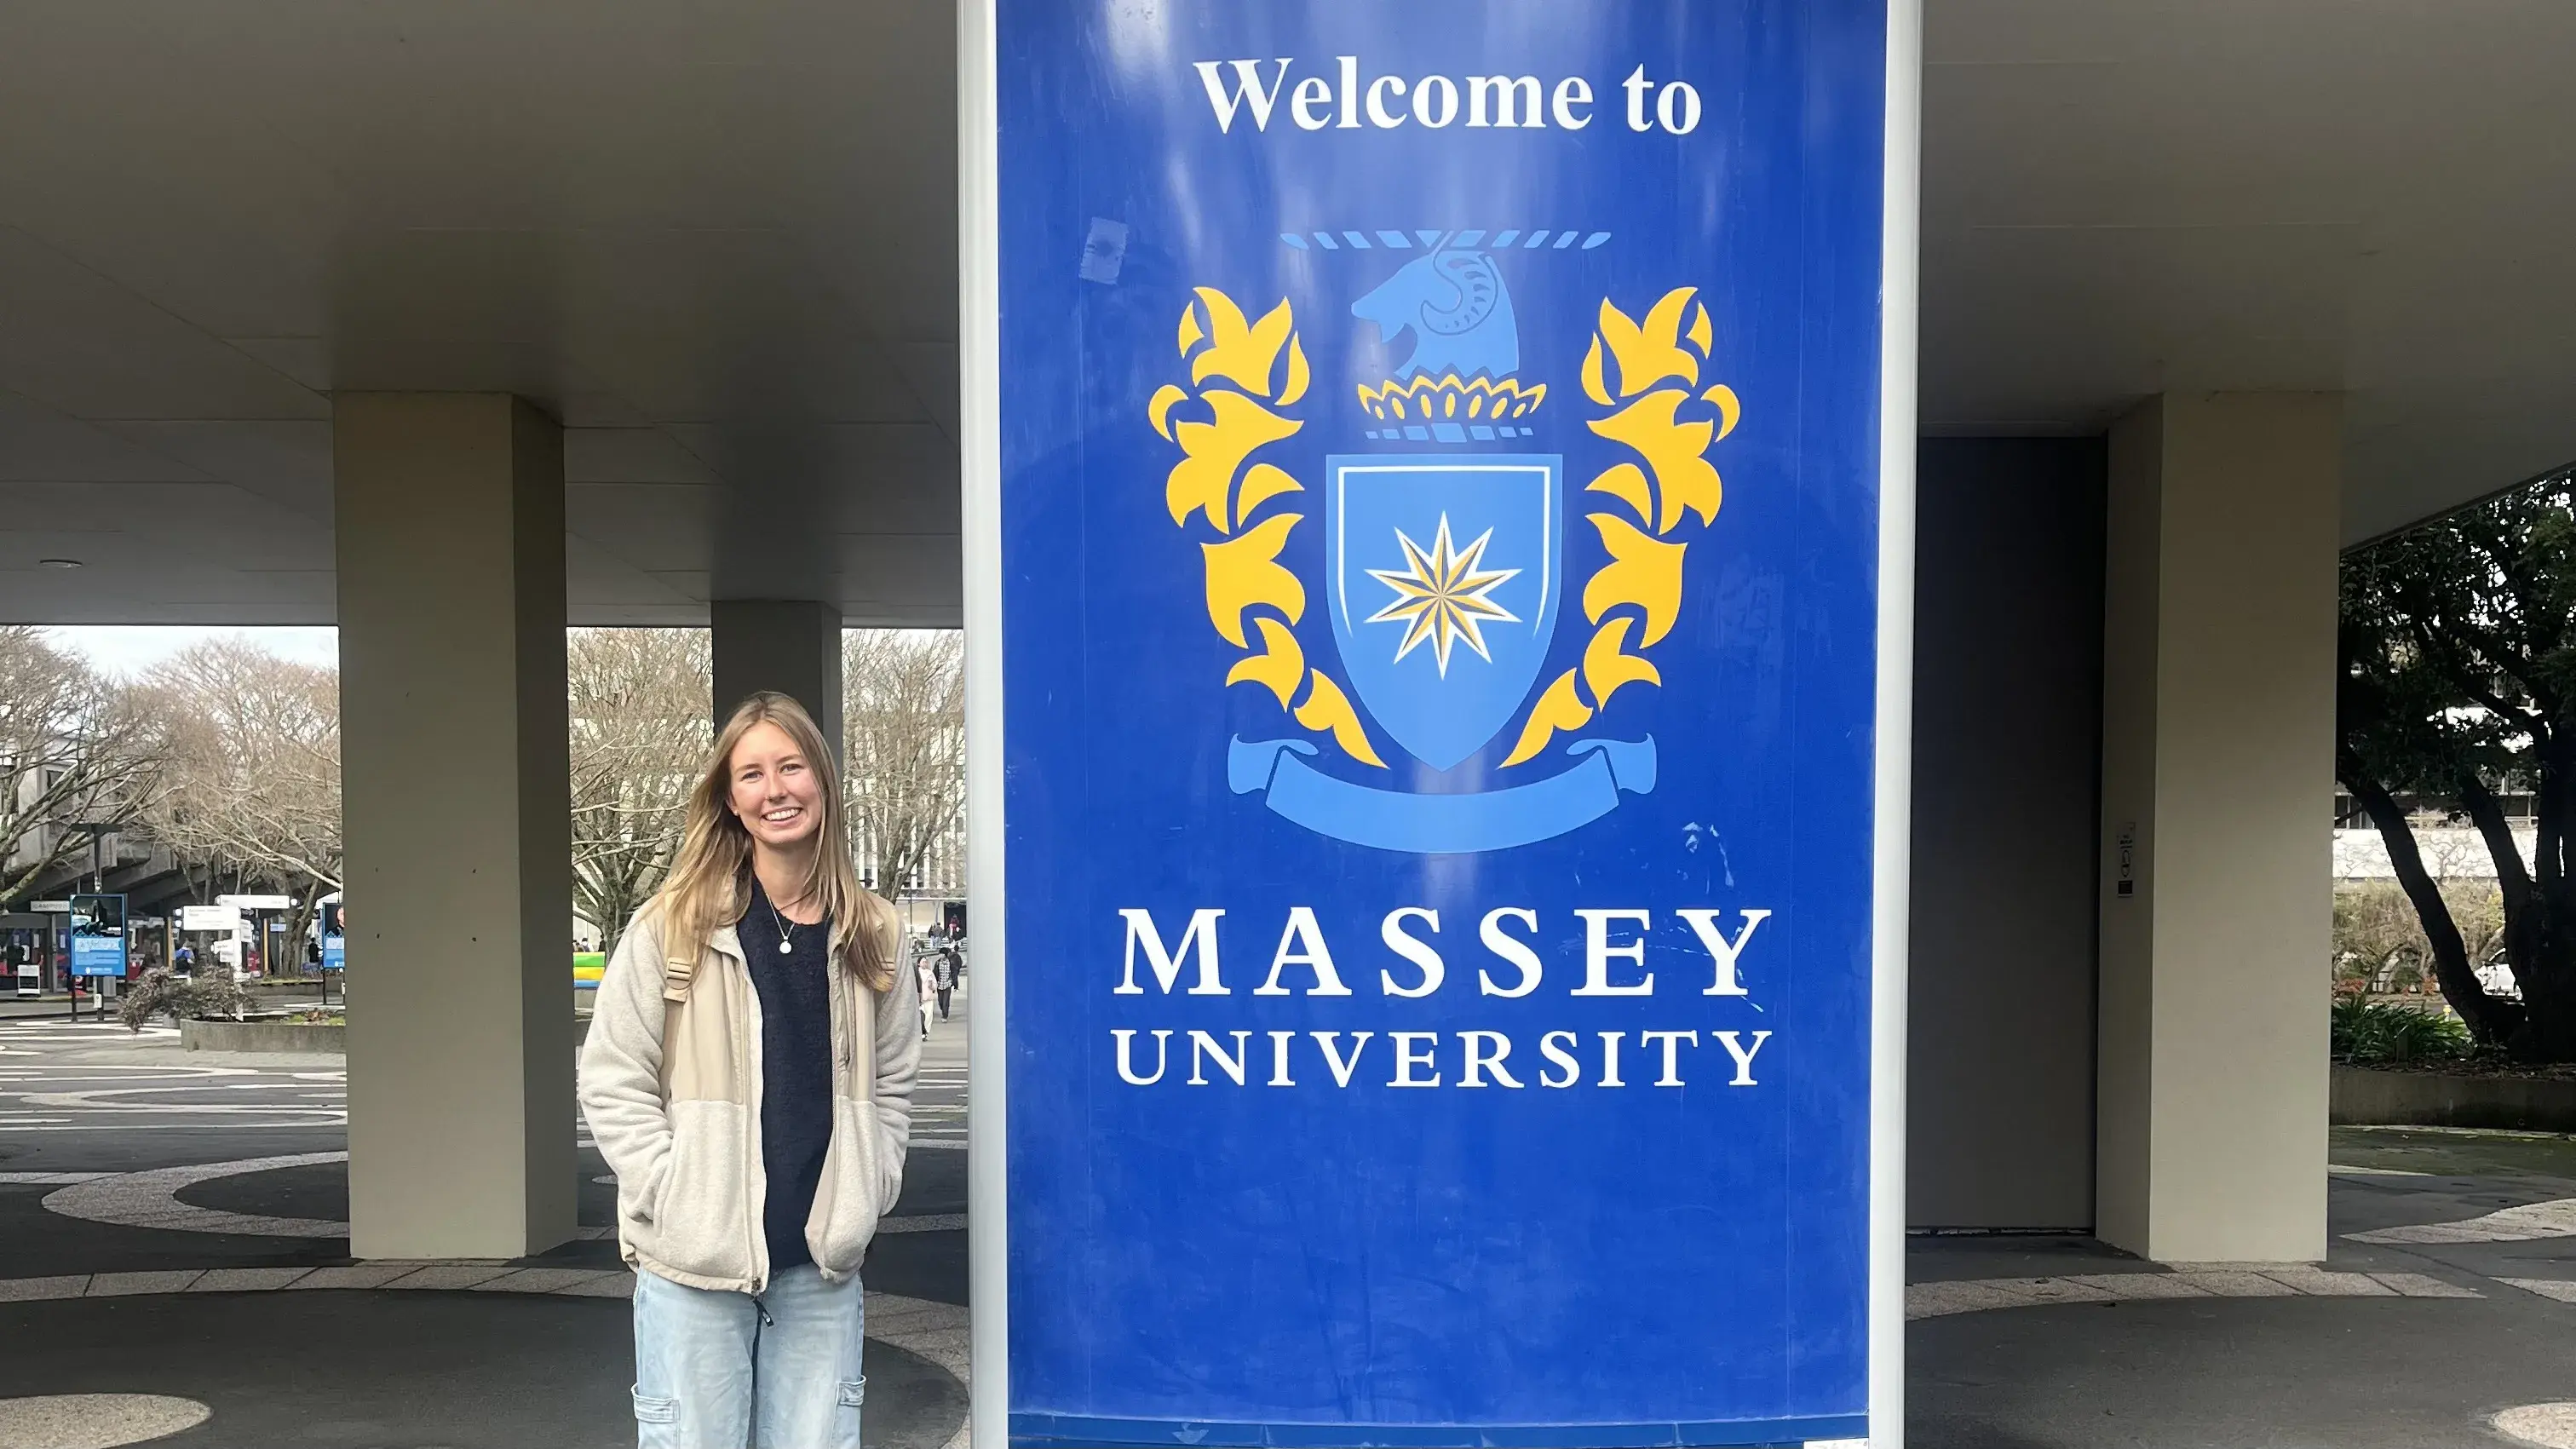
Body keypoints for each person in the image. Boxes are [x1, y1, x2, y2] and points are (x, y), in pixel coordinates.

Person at [579, 693, 917, 1449]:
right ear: (730, 799)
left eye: (792, 766)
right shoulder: (672, 925)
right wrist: (672, 1192)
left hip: (820, 1270)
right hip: (694, 1266)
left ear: (822, 782)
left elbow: (893, 1080)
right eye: (754, 773)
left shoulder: (877, 932)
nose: (777, 790)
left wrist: (875, 1180)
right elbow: (612, 1076)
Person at [914, 952, 935, 1040]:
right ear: (919, 963)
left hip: (929, 997)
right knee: (921, 1015)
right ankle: (921, 1032)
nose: (925, 963)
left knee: (929, 1015)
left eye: (926, 962)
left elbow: (935, 983)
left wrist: (933, 986)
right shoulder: (916, 973)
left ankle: (926, 1032)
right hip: (920, 998)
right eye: (923, 962)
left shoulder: (930, 973)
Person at [932, 946, 956, 1021]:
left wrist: (953, 982)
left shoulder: (950, 962)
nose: (940, 955)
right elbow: (935, 973)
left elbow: (954, 973)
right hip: (940, 984)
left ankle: (945, 1016)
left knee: (946, 1001)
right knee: (940, 1001)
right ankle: (943, 1010)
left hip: (947, 984)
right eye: (940, 954)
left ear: (945, 955)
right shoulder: (937, 962)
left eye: (942, 954)